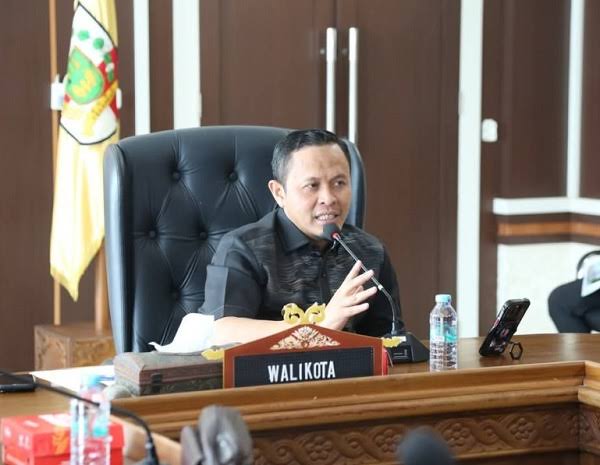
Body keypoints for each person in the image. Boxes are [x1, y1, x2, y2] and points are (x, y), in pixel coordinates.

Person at [199, 129, 404, 344]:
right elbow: (222, 331)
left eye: (339, 183)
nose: (328, 198)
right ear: (279, 193)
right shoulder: (242, 248)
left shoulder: (370, 251)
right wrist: (319, 327)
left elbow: (389, 339)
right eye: (312, 186)